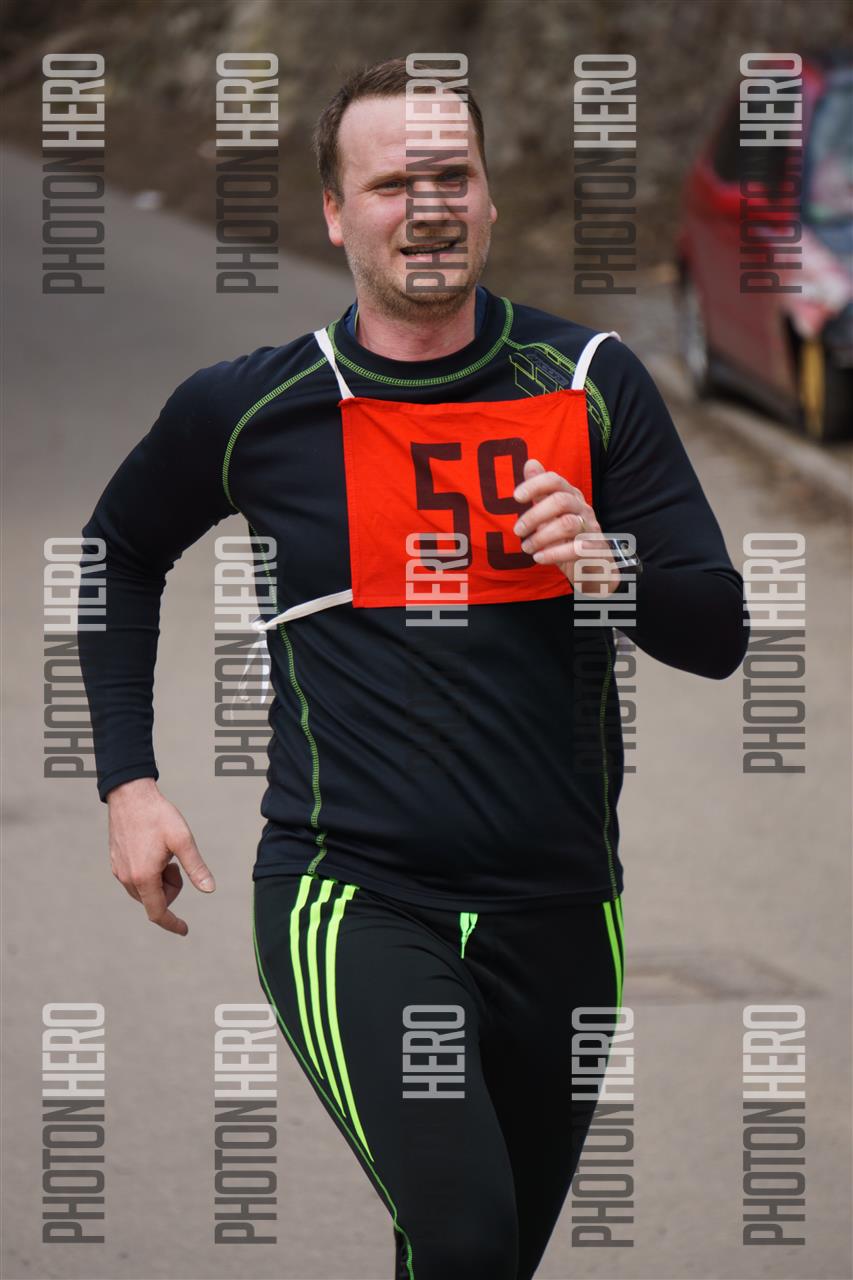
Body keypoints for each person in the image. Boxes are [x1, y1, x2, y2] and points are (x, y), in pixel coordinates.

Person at [78, 57, 748, 1280]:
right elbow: (116, 552)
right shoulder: (257, 408)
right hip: (354, 894)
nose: (426, 207)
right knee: (466, 1234)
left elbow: (716, 632)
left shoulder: (590, 382)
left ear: (489, 199)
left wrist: (610, 568)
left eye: (452, 176)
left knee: (473, 1254)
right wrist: (129, 780)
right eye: (392, 184)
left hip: (562, 901)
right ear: (336, 214)